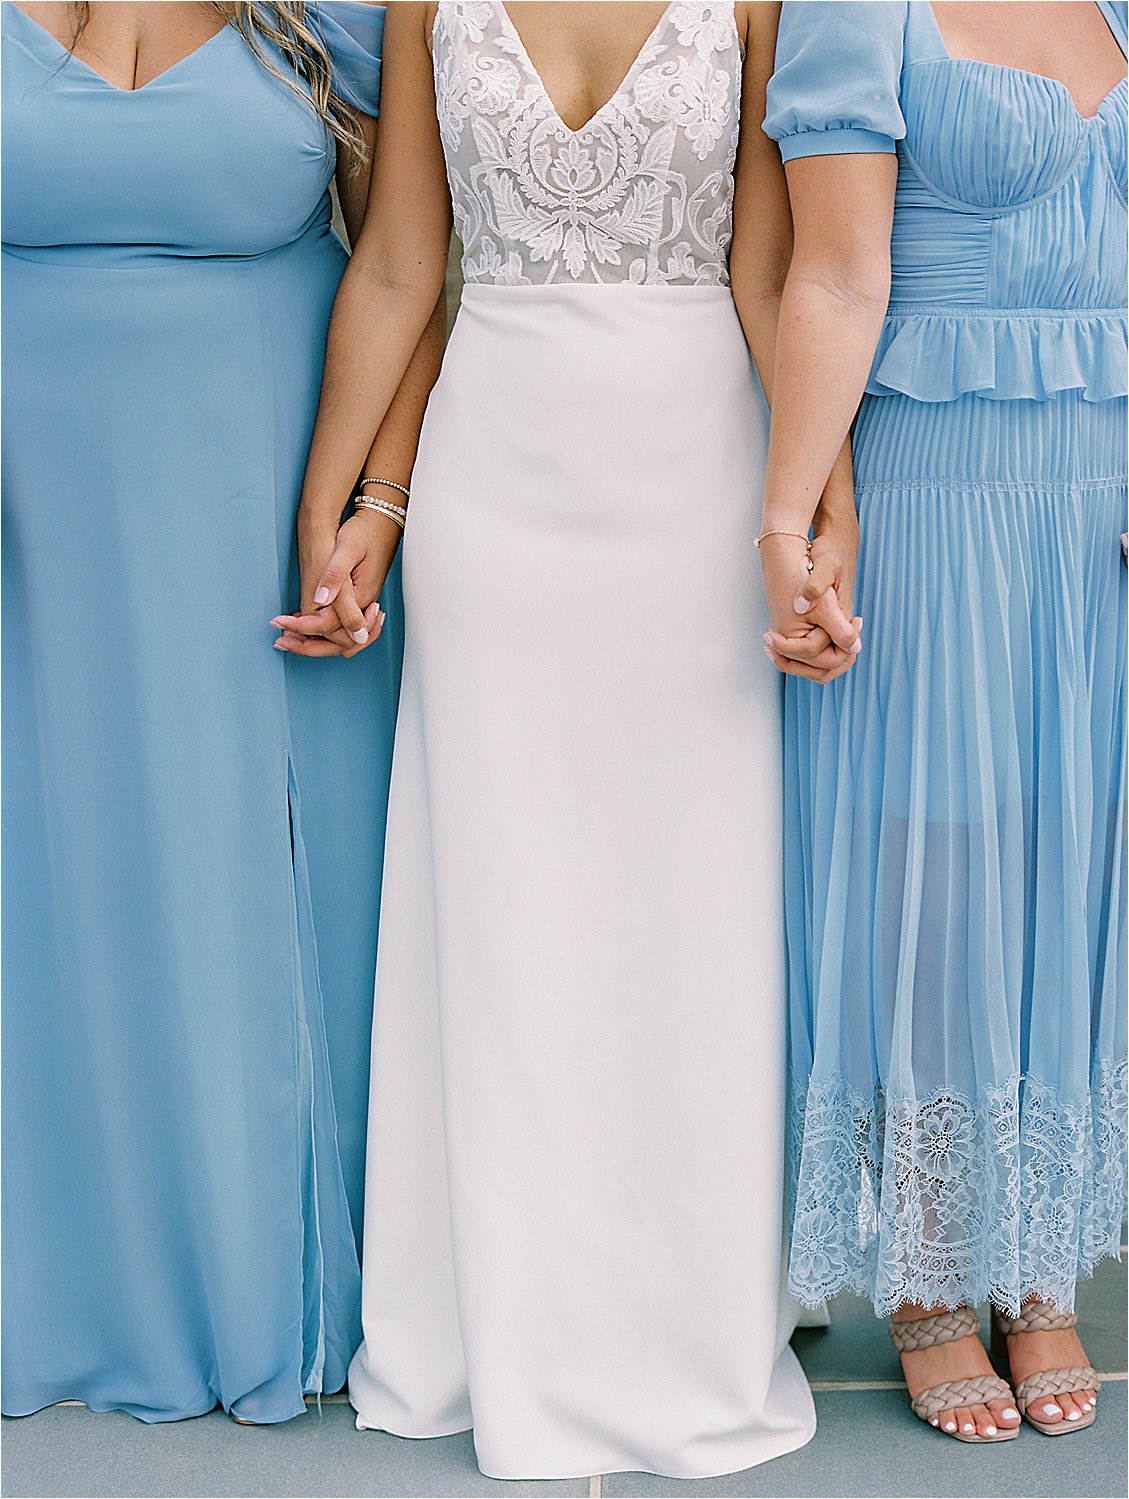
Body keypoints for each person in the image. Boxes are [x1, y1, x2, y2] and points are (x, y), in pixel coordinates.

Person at [277, 0, 862, 1479]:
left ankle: (680, 1316)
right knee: (504, 900)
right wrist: (334, 508)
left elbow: (765, 269)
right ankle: (497, 1315)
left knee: (686, 909)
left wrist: (813, 504)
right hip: (495, 472)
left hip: (693, 472)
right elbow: (409, 262)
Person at [2, 0, 443, 1424]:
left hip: (269, 522)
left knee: (245, 889)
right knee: (50, 881)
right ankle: (69, 1278)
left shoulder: (333, 21)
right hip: (33, 531)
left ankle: (274, 1273)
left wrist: (373, 501)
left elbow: (415, 267)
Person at [761, 0, 1127, 1444]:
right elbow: (834, 274)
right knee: (939, 849)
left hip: (1095, 487)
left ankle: (1036, 1266)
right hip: (932, 473)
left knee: (1071, 846)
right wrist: (787, 520)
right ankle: (924, 1276)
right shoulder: (861, 7)